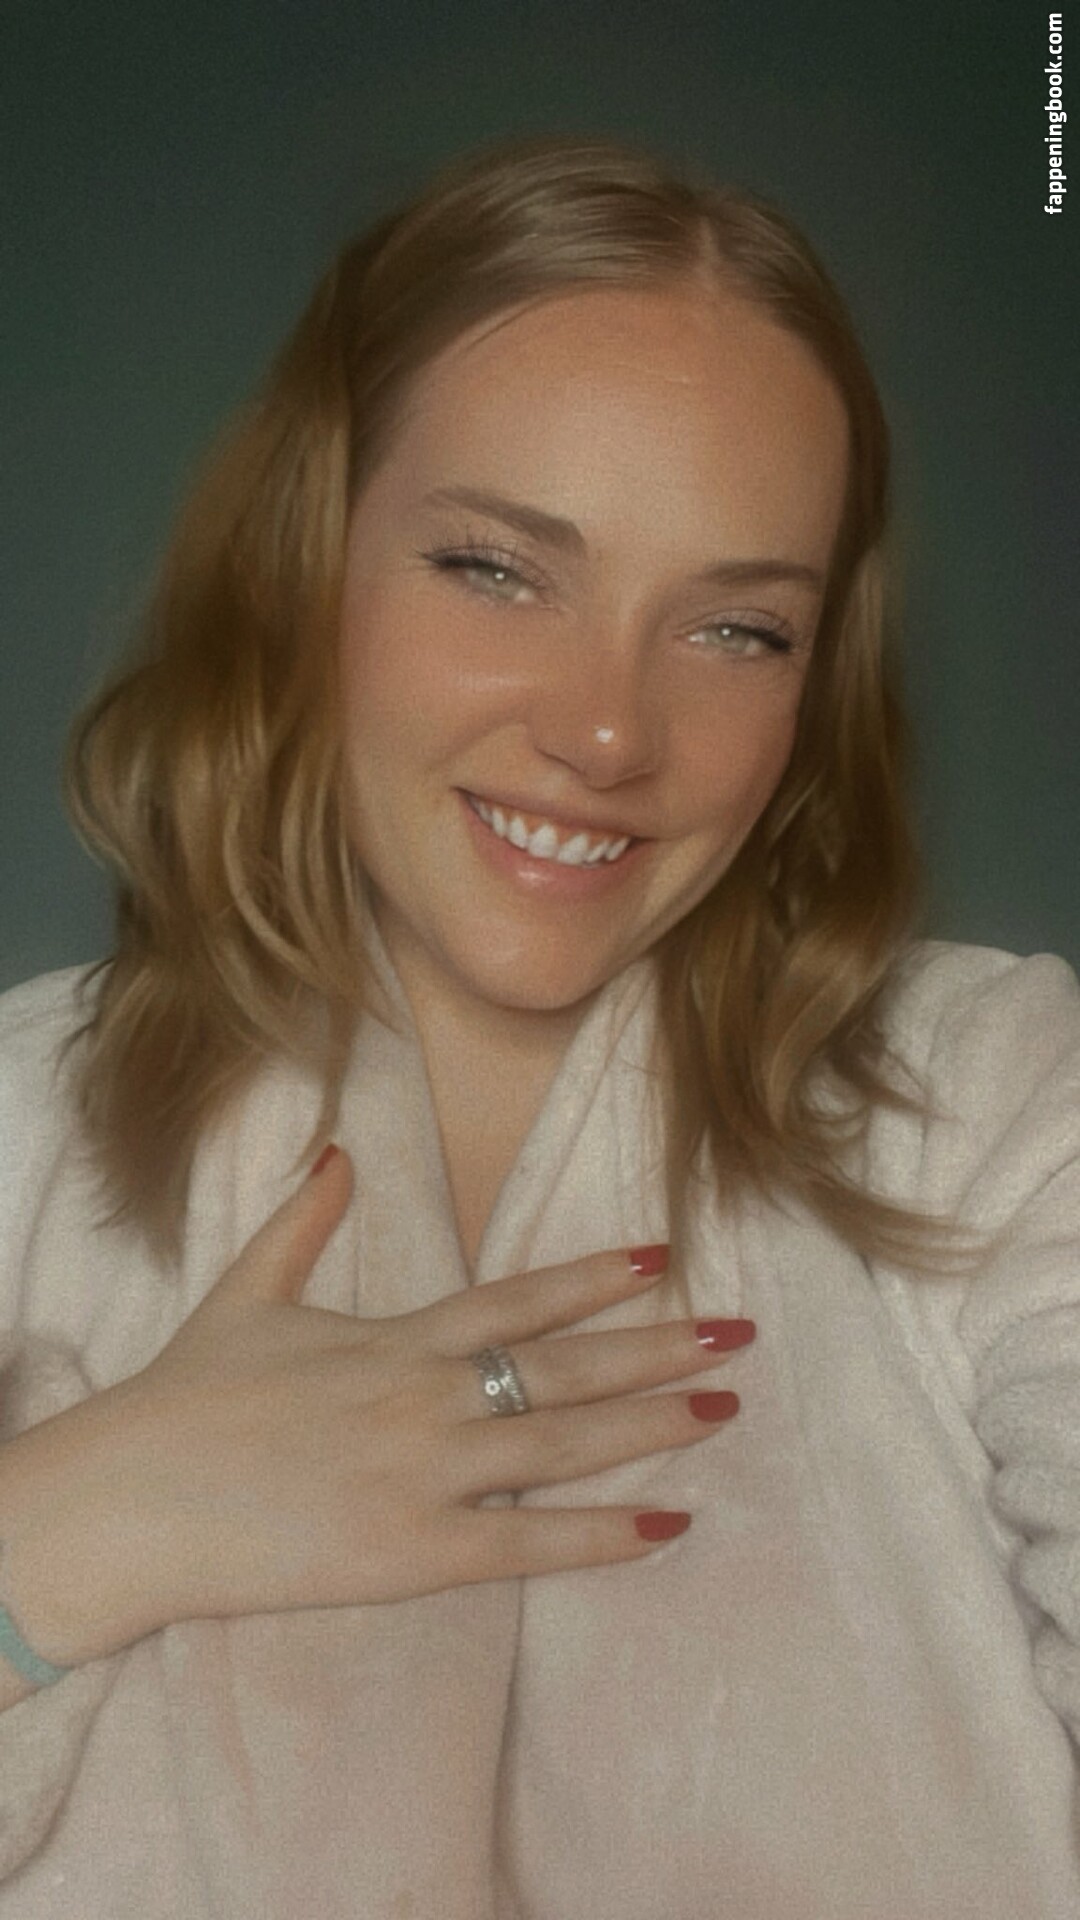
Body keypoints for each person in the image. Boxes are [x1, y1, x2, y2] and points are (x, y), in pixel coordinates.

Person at [0, 134, 1077, 1919]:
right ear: (302, 564)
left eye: (737, 629)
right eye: (498, 570)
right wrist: (85, 1521)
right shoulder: (16, 1136)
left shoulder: (998, 1101)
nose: (609, 733)